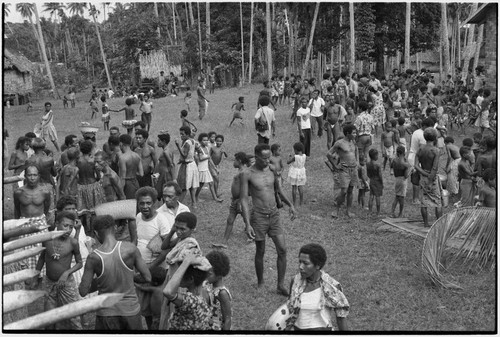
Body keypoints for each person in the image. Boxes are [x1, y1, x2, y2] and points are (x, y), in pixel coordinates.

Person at [240, 144, 296, 296]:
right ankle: (260, 282)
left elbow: (279, 189)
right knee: (261, 250)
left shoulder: (272, 169)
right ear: (256, 156)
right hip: (258, 216)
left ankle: (280, 285)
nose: (267, 161)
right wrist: (247, 223)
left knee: (283, 250)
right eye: (263, 158)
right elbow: (244, 199)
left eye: (268, 158)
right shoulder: (247, 173)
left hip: (274, 215)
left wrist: (290, 204)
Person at [79, 215, 151, 330]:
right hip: (130, 310)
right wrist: (128, 277)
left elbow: (83, 291)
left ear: (96, 233)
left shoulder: (93, 258)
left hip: (106, 313)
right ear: (115, 228)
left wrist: (101, 281)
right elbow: (147, 278)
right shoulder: (130, 249)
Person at [35, 211, 83, 330]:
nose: (68, 230)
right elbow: (42, 257)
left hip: (66, 283)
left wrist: (66, 273)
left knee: (73, 318)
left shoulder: (73, 242)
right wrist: (35, 275)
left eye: (71, 227)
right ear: (57, 223)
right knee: (49, 318)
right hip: (49, 282)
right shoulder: (47, 239)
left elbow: (80, 263)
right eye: (65, 225)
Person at [285, 243, 349, 331]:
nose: (300, 267)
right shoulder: (295, 281)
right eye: (300, 262)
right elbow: (290, 309)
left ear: (317, 265)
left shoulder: (330, 286)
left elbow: (341, 318)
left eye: (306, 263)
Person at [159, 212, 202, 330]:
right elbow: (164, 246)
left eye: (182, 229)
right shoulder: (181, 239)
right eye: (176, 227)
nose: (178, 231)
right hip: (173, 280)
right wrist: (172, 231)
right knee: (167, 311)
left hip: (181, 284)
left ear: (193, 229)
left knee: (175, 316)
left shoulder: (190, 245)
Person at [134, 187, 171, 326]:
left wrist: (149, 268)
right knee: (145, 307)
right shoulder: (138, 217)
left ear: (154, 203)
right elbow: (137, 240)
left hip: (156, 271)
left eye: (148, 203)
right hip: (141, 267)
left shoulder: (161, 220)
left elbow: (166, 249)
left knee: (158, 307)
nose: (145, 206)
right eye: (141, 203)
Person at [14, 165, 52, 286]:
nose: (32, 178)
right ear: (25, 177)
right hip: (24, 224)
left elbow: (46, 208)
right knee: (25, 252)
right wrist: (17, 226)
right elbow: (17, 210)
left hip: (40, 223)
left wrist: (40, 221)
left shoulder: (45, 192)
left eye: (35, 175)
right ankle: (26, 278)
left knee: (42, 251)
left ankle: (39, 277)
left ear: (39, 176)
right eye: (29, 175)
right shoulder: (18, 192)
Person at [163, 253, 212, 330]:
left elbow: (168, 292)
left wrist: (186, 262)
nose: (175, 277)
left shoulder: (191, 301)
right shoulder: (206, 290)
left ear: (190, 279)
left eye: (180, 274)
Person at [215, 152, 252, 248]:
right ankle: (224, 242)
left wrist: (240, 200)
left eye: (234, 160)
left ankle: (252, 237)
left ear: (239, 161)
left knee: (247, 220)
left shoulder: (244, 172)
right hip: (235, 201)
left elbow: (247, 189)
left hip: (241, 201)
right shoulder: (240, 171)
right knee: (230, 220)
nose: (233, 162)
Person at [326, 124, 359, 218]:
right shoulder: (339, 143)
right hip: (344, 169)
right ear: (348, 133)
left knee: (350, 190)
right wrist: (335, 166)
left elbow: (355, 152)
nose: (355, 134)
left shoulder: (353, 142)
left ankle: (348, 210)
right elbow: (328, 154)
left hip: (353, 169)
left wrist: (357, 163)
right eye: (353, 133)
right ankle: (336, 209)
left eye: (355, 132)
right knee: (344, 191)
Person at [414, 127, 442, 228]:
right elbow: (434, 168)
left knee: (424, 202)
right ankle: (439, 225)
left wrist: (424, 174)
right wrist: (430, 179)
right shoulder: (436, 151)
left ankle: (425, 223)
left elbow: (416, 165)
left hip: (423, 177)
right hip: (432, 178)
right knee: (437, 202)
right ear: (435, 138)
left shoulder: (420, 149)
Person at [408, 118, 435, 204]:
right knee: (416, 178)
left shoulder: (416, 132)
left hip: (413, 154)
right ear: (424, 126)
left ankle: (417, 196)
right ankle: (415, 199)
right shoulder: (423, 135)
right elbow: (425, 149)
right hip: (416, 157)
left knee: (416, 177)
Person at [76, 140, 106, 213]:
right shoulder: (93, 161)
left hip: (80, 186)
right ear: (90, 149)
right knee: (95, 210)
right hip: (93, 185)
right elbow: (98, 176)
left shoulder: (78, 160)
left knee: (82, 211)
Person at [206, 250, 232, 330]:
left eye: (209, 274)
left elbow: (227, 319)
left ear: (219, 274)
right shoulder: (210, 287)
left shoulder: (222, 293)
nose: (206, 276)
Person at [175, 126, 200, 206]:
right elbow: (196, 150)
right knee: (192, 186)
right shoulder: (192, 141)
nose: (181, 136)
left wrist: (178, 146)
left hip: (187, 166)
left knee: (184, 186)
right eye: (180, 134)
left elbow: (184, 155)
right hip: (192, 164)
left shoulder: (187, 143)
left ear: (187, 134)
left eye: (182, 134)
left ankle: (178, 204)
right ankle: (194, 203)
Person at [195, 133, 223, 203]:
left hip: (206, 168)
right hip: (201, 169)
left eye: (207, 140)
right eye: (204, 140)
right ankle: (196, 197)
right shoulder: (199, 148)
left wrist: (215, 168)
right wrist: (208, 157)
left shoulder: (207, 148)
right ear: (200, 141)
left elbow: (210, 160)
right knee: (201, 184)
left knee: (211, 183)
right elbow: (200, 158)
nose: (206, 141)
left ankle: (215, 198)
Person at [118, 134, 144, 199]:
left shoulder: (122, 158)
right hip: (135, 182)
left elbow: (122, 177)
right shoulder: (137, 156)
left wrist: (121, 193)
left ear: (121, 144)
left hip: (127, 185)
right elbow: (141, 174)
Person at [391, 146, 411, 218]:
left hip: (397, 179)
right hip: (403, 180)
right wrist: (410, 171)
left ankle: (392, 212)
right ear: (404, 153)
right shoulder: (405, 164)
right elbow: (406, 176)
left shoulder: (394, 160)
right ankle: (400, 213)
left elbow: (391, 166)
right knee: (402, 197)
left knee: (396, 196)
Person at [155, 131, 176, 198]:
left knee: (165, 193)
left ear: (163, 141)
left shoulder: (165, 152)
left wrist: (174, 179)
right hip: (163, 174)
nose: (158, 142)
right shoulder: (168, 150)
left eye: (159, 141)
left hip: (165, 175)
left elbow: (171, 165)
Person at [287, 142, 307, 207]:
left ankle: (294, 202)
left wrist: (289, 157)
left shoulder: (295, 157)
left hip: (294, 172)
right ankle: (301, 202)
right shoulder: (304, 156)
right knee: (300, 187)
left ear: (295, 150)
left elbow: (288, 162)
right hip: (301, 172)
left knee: (294, 187)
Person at [367, 149, 383, 216]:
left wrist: (371, 177)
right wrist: (381, 182)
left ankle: (370, 211)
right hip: (377, 181)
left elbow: (368, 174)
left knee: (371, 196)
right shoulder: (377, 165)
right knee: (377, 196)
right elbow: (380, 175)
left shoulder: (368, 164)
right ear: (375, 156)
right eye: (377, 155)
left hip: (371, 180)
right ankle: (378, 212)